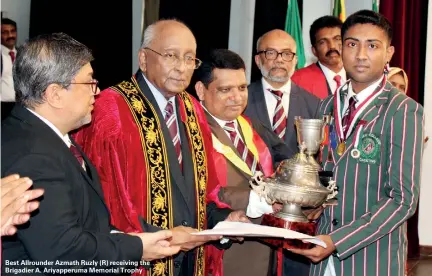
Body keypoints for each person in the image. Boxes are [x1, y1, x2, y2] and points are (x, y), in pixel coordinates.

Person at [73, 20, 247, 276]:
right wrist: (164, 238)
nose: (181, 67)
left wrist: (224, 219)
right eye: (171, 56)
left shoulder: (193, 109)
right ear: (143, 59)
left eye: (189, 58)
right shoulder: (110, 110)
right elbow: (104, 204)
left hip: (190, 262)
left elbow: (204, 193)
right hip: (139, 260)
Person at [1, 33, 182, 275]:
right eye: (89, 83)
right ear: (54, 94)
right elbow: (61, 251)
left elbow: (87, 221)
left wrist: (148, 238)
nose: (96, 92)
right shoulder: (33, 155)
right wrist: (137, 247)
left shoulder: (48, 136)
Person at [289, 10, 424, 276]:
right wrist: (311, 203)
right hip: (322, 257)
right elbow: (326, 169)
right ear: (341, 48)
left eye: (372, 45)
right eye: (352, 44)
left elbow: (402, 200)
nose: (361, 54)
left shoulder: (403, 110)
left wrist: (337, 241)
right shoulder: (327, 104)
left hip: (370, 260)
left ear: (389, 53)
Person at [194, 48, 291, 276]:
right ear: (201, 90)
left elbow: (285, 161)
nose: (237, 97)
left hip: (266, 253)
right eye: (225, 90)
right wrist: (257, 198)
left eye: (241, 88)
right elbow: (198, 194)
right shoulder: (192, 133)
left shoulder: (251, 126)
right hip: (224, 257)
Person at [245, 29, 320, 159]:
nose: (279, 60)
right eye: (271, 53)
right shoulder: (241, 101)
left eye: (286, 54)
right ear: (258, 60)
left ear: (295, 60)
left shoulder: (314, 104)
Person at [291, 16, 346, 99]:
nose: (332, 46)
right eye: (323, 42)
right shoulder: (298, 80)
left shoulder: (361, 76)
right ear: (314, 51)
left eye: (337, 39)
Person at [1, 18, 18, 119]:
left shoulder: (22, 54)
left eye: (13, 31)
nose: (10, 36)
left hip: (18, 106)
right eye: (5, 32)